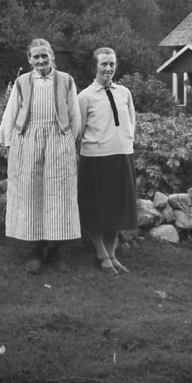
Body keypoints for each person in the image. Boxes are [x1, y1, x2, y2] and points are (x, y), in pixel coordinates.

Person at [0, 38, 81, 274]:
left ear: (52, 56)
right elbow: (11, 113)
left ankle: (55, 251)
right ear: (29, 59)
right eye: (36, 56)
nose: (41, 60)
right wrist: (9, 143)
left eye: (45, 55)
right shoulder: (22, 82)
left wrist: (68, 143)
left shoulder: (66, 81)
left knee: (58, 196)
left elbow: (75, 116)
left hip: (58, 142)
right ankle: (36, 250)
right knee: (32, 194)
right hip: (29, 142)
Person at [77, 47, 138, 274]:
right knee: (96, 210)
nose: (108, 68)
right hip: (95, 159)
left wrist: (127, 141)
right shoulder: (85, 96)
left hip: (121, 156)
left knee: (116, 211)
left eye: (112, 64)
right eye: (104, 64)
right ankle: (102, 255)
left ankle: (112, 255)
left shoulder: (124, 92)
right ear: (95, 66)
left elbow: (131, 120)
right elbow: (79, 130)